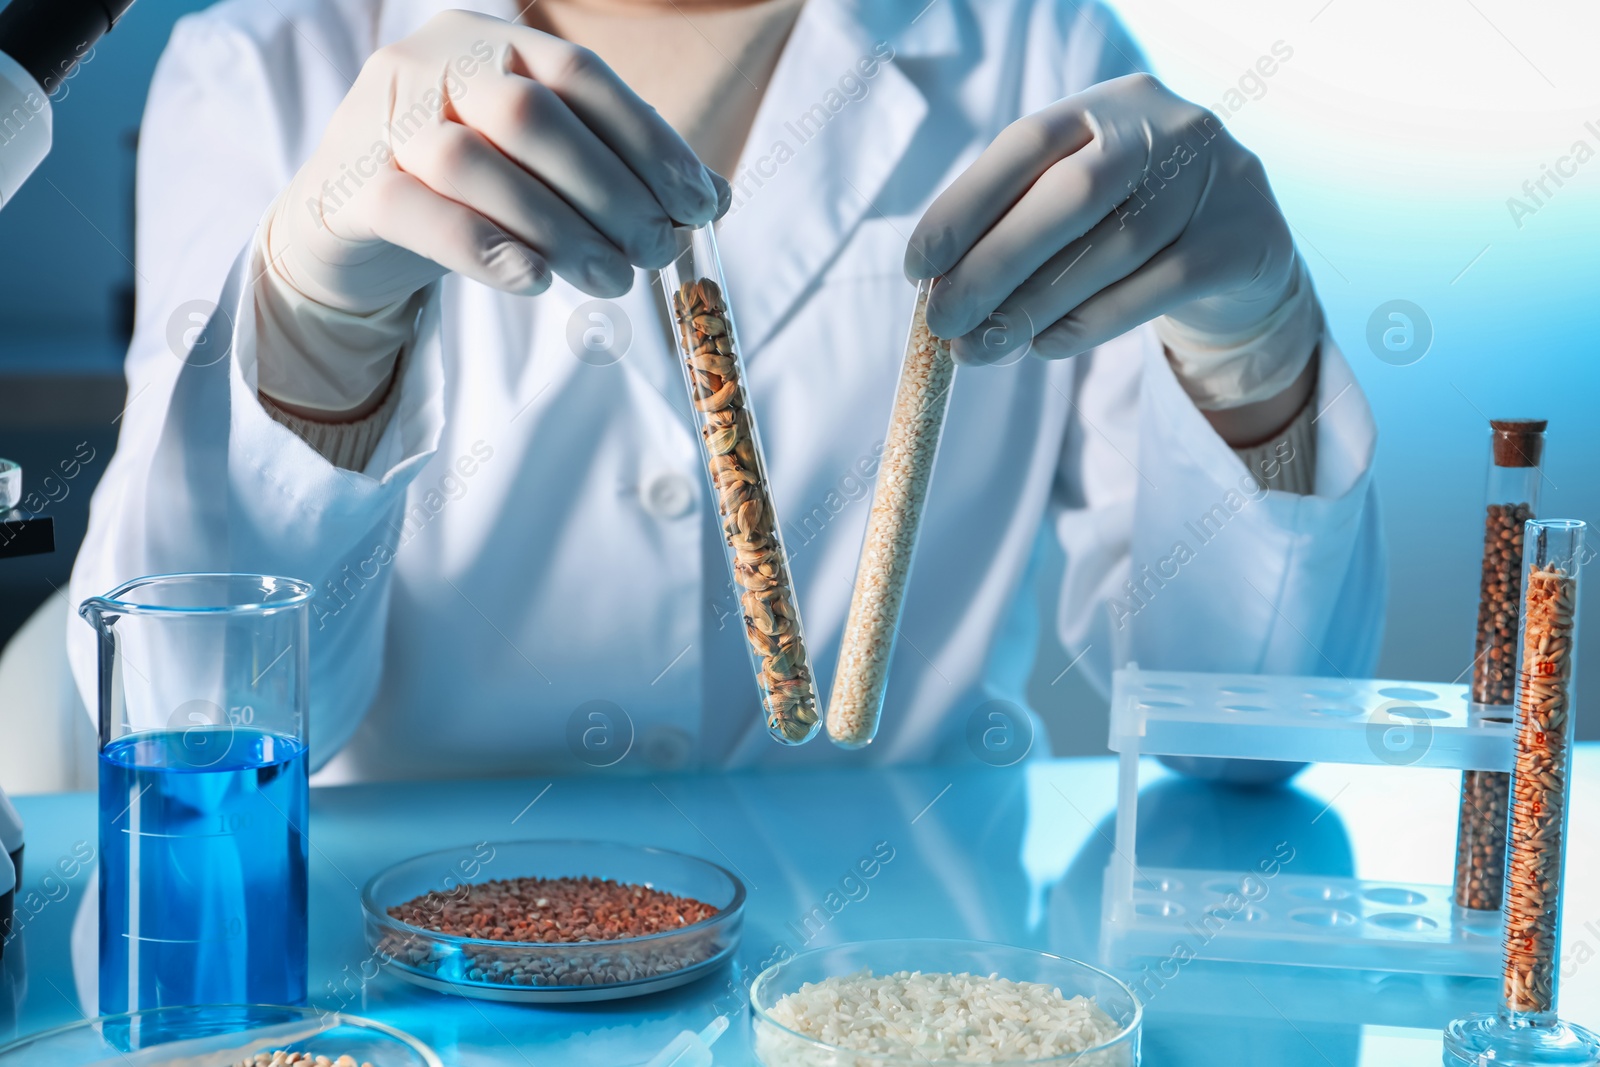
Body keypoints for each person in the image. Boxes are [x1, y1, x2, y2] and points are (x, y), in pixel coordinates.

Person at [67, 0, 1384, 781]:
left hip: (907, 971)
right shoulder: (269, 62)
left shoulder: (1038, 50)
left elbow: (1243, 737)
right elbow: (185, 721)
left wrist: (1254, 347)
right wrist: (313, 328)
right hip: (426, 984)